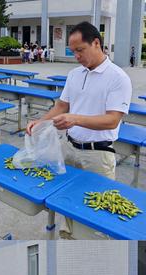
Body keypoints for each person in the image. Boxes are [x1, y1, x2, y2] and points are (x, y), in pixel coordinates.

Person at [26, 21, 132, 183]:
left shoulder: (118, 78)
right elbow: (62, 106)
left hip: (97, 154)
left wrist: (75, 119)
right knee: (62, 198)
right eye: (73, 51)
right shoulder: (75, 74)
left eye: (80, 50)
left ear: (96, 43)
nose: (76, 56)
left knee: (95, 203)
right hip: (68, 147)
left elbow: (112, 120)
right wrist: (40, 122)